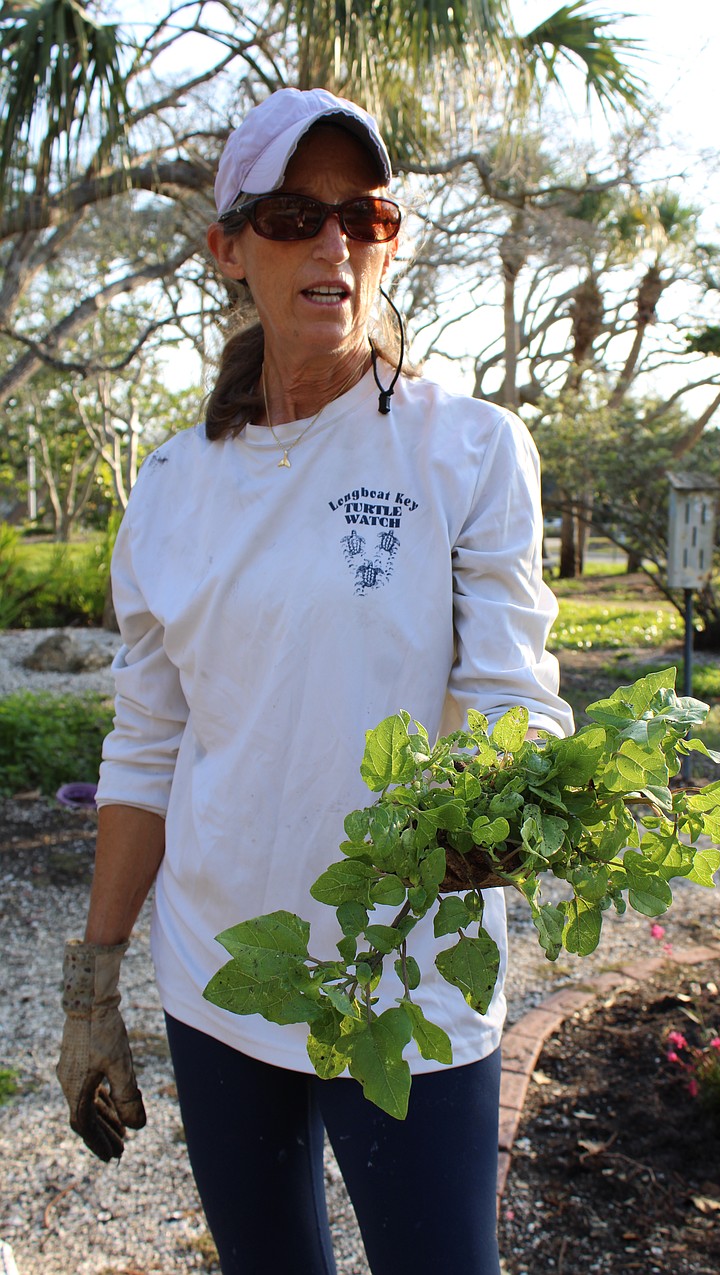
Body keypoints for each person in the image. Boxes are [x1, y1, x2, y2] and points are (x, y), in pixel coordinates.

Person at [57, 87, 573, 1275]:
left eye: (364, 216)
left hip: (407, 974)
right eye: (293, 217)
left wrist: (517, 796)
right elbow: (148, 743)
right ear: (228, 249)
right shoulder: (172, 485)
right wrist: (94, 979)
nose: (332, 243)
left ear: (390, 241)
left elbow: (512, 692)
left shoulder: (465, 448)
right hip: (219, 972)